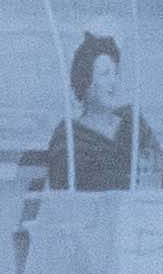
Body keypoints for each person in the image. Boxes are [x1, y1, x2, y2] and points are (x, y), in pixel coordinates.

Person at [44, 36, 137, 193]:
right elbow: (61, 193)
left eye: (116, 73)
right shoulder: (68, 137)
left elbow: (157, 172)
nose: (114, 82)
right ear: (85, 81)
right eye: (105, 74)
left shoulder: (133, 125)